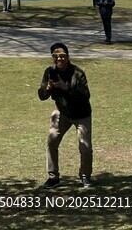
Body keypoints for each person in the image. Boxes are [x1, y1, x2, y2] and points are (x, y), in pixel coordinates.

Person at [37, 42, 93, 189]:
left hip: (81, 114)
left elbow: (85, 95)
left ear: (68, 57)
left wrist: (66, 87)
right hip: (62, 112)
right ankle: (53, 177)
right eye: (55, 56)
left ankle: (85, 176)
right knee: (51, 141)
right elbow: (42, 96)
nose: (59, 59)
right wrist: (47, 88)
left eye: (62, 56)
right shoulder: (50, 72)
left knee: (85, 147)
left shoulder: (77, 73)